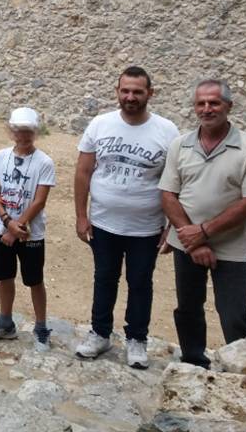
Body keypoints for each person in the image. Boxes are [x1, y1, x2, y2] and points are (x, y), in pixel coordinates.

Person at [73, 66, 179, 368]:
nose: (130, 97)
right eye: (125, 91)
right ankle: (100, 333)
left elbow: (176, 182)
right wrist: (81, 216)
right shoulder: (100, 124)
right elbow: (83, 172)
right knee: (104, 278)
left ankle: (137, 339)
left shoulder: (167, 131)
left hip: (146, 228)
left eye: (137, 91)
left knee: (140, 282)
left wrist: (171, 225)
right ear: (117, 91)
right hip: (103, 223)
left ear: (150, 93)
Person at [160, 79, 246, 368]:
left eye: (214, 102)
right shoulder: (180, 145)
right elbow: (168, 194)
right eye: (200, 103)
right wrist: (192, 240)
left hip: (229, 246)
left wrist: (203, 233)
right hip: (186, 242)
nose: (207, 109)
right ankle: (193, 363)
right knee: (188, 307)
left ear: (229, 106)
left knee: (233, 312)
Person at [0, 107, 56, 351]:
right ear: (12, 131)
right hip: (3, 228)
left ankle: (41, 327)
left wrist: (16, 227)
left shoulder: (44, 162)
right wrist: (7, 222)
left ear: (35, 132)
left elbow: (39, 201)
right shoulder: (1, 156)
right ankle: (5, 322)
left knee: (34, 280)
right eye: (19, 130)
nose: (23, 135)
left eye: (28, 131)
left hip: (30, 233)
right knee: (5, 276)